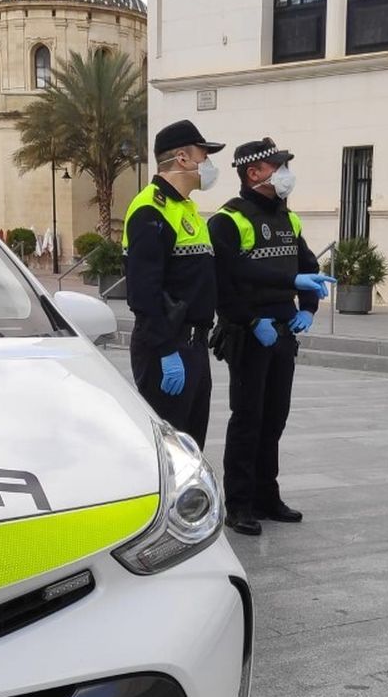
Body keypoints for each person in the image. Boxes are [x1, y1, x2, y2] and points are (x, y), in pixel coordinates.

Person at [208, 137, 336, 536]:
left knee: (274, 418)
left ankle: (267, 496)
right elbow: (224, 284)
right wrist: (249, 321)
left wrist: (308, 310)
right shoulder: (228, 220)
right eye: (277, 166)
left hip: (282, 333)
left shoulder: (288, 217)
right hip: (250, 334)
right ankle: (240, 504)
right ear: (254, 173)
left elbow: (308, 266)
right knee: (247, 420)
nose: (285, 174)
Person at [122, 120, 226, 446]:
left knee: (191, 447)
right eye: (204, 155)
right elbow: (143, 293)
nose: (208, 164)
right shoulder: (149, 210)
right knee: (169, 451)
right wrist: (166, 351)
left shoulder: (187, 209)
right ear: (183, 158)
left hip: (193, 344)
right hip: (166, 347)